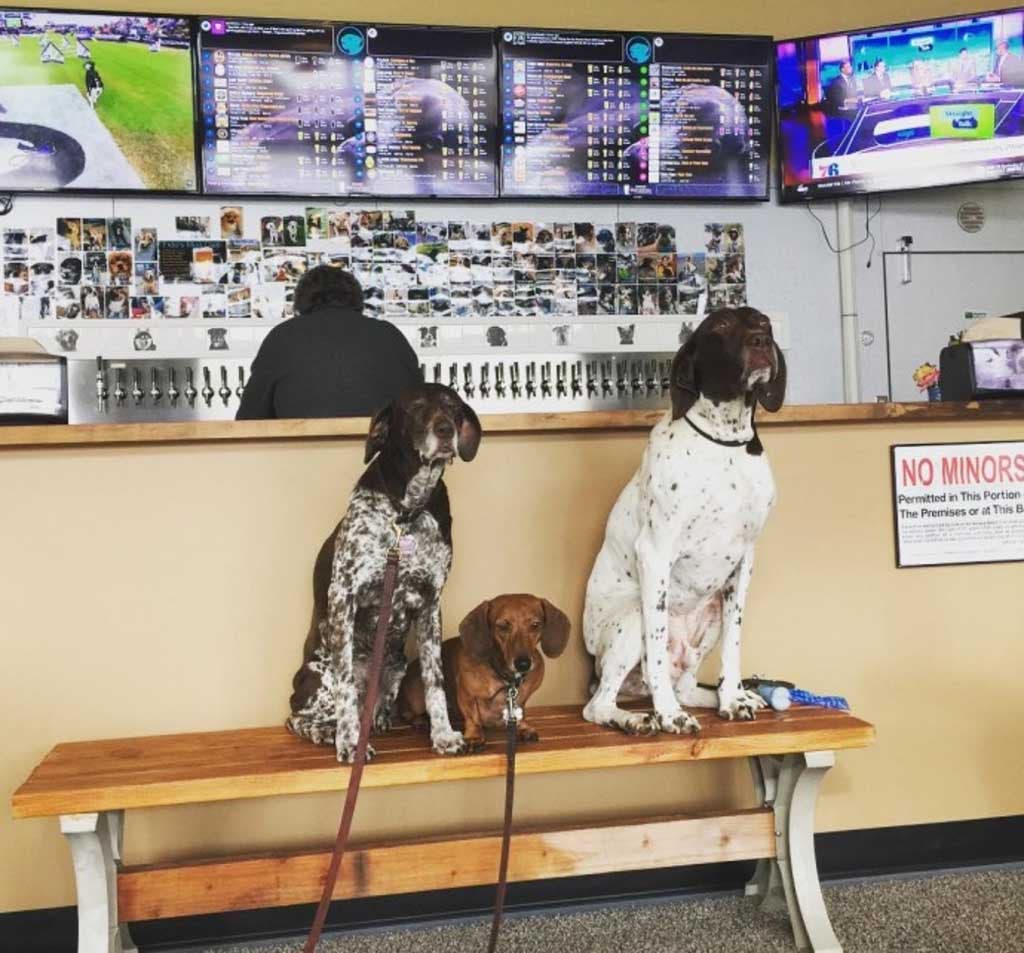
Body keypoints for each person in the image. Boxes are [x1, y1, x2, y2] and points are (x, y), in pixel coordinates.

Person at [236, 265, 422, 420]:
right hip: (383, 457)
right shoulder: (390, 335)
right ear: (357, 299)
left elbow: (249, 420)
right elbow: (423, 406)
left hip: (299, 457)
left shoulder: (281, 337)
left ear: (301, 301)